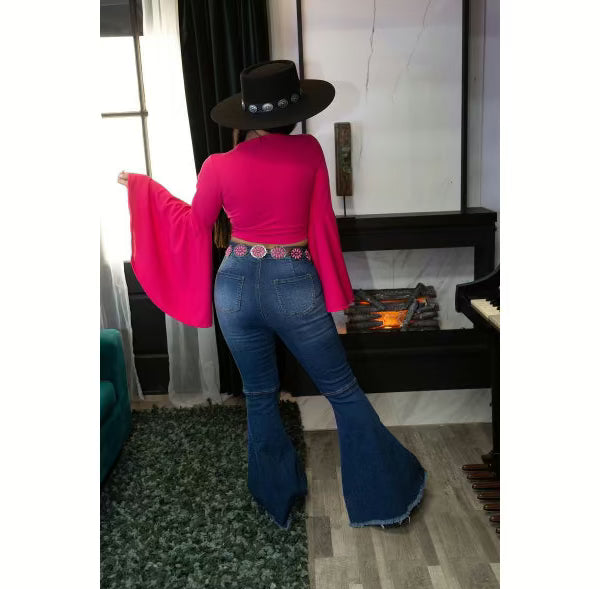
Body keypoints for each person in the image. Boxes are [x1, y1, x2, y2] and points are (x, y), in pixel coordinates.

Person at [118, 59, 427, 530]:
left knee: (260, 396)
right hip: (293, 282)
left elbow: (193, 226)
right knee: (342, 391)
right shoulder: (309, 152)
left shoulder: (218, 165)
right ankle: (384, 499)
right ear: (294, 114)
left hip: (234, 287)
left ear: (246, 117)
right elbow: (321, 224)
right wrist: (334, 294)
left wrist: (145, 189)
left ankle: (277, 503)